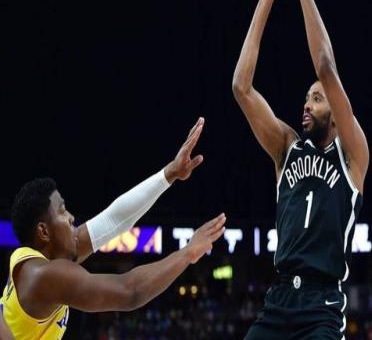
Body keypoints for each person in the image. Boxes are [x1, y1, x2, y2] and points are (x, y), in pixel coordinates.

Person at [233, 0, 369, 339]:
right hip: (278, 303)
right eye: (307, 97)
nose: (306, 104)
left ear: (337, 113)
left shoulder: (353, 156)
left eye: (316, 98)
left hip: (322, 306)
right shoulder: (286, 148)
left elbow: (325, 65)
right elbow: (241, 87)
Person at [0, 117, 226, 339]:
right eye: (62, 211)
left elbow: (113, 220)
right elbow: (130, 291)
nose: (71, 217)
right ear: (44, 232)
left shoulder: (36, 259)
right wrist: (188, 253)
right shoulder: (45, 276)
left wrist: (170, 173)